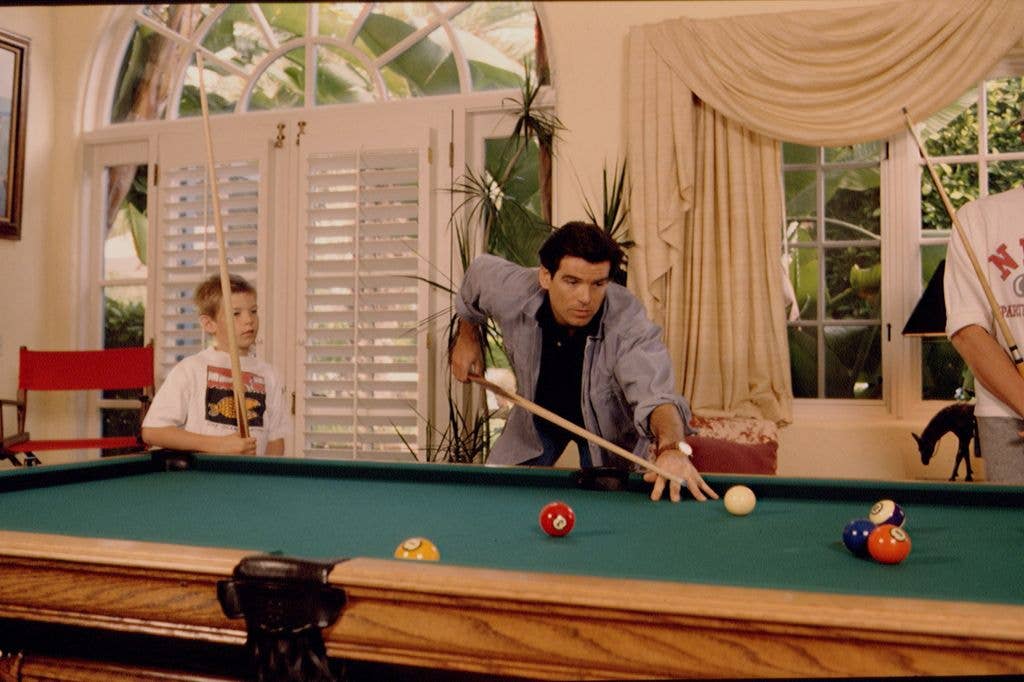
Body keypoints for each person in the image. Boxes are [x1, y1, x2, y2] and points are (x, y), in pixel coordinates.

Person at [450, 221, 717, 502]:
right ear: (546, 276)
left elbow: (657, 397)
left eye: (598, 283)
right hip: (538, 416)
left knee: (610, 507)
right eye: (572, 282)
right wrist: (467, 337)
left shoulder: (627, 324)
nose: (585, 298)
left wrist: (671, 449)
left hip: (605, 432)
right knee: (495, 495)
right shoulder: (515, 291)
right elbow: (477, 275)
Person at [142, 273, 290, 456]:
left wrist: (264, 471)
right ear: (209, 324)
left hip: (250, 474)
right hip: (205, 474)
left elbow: (275, 441)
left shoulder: (269, 375)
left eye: (253, 311)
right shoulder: (191, 369)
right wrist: (218, 445)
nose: (249, 320)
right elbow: (152, 431)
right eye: (236, 313)